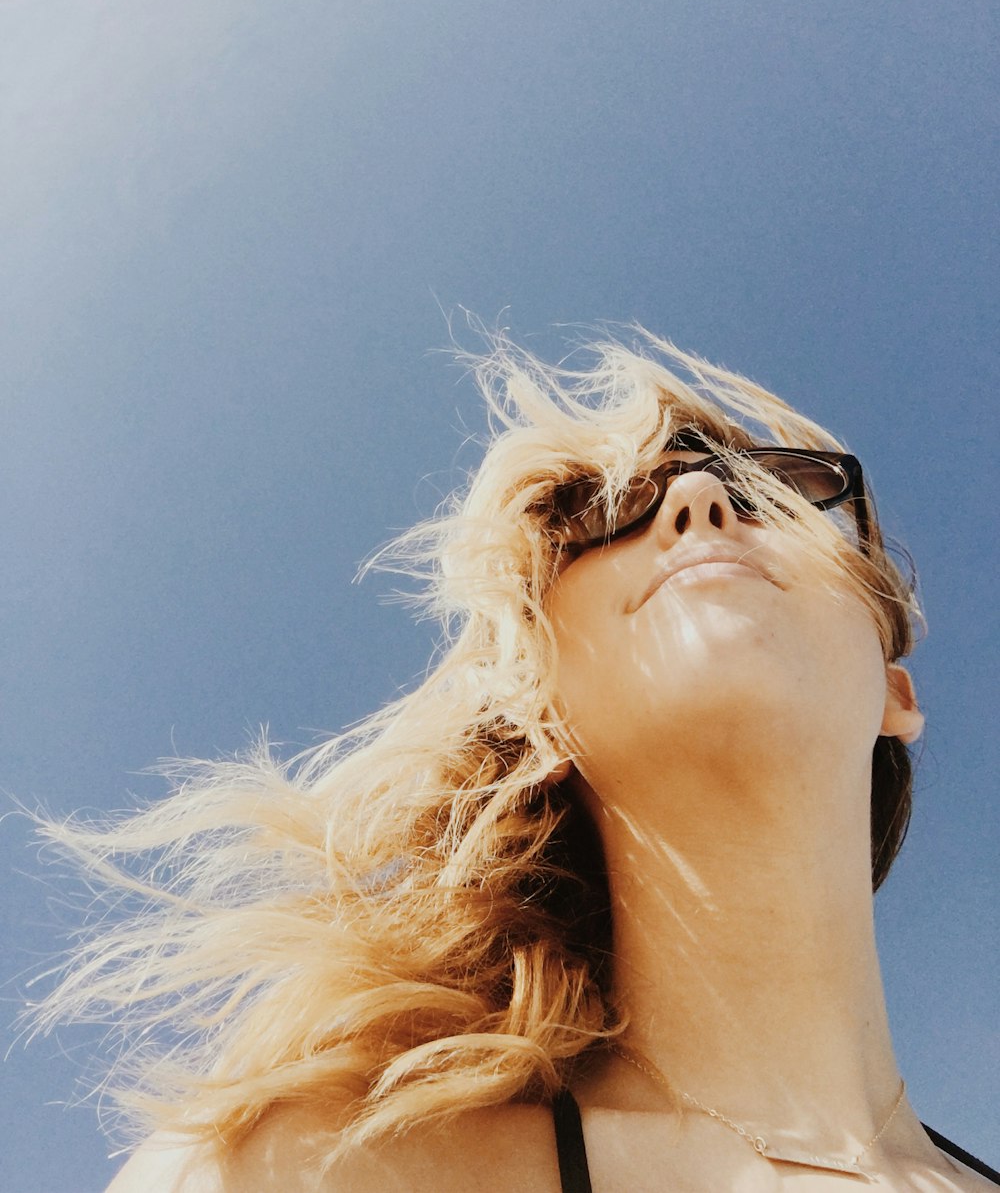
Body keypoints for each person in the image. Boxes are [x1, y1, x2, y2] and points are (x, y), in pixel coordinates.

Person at [29, 331, 997, 1191]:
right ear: (537, 714)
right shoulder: (313, 1172)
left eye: (774, 488)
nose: (700, 497)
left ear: (894, 692)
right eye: (603, 511)